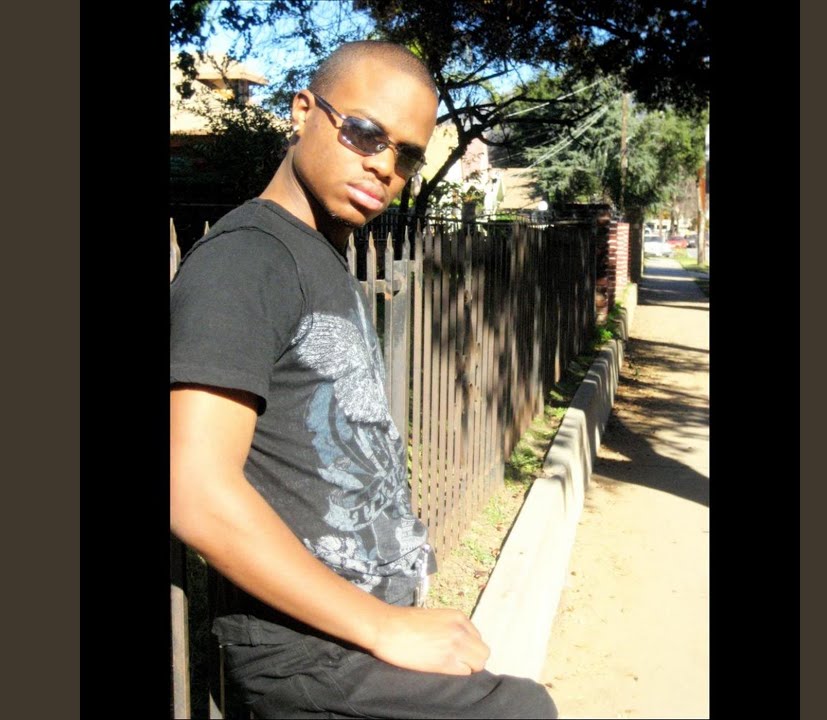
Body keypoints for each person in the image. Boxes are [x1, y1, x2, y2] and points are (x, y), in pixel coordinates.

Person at [169, 40, 558, 719]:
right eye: (366, 133)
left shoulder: (320, 255)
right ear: (303, 112)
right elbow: (192, 489)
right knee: (522, 710)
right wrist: (382, 627)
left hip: (354, 637)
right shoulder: (246, 259)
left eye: (407, 155)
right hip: (308, 656)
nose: (384, 165)